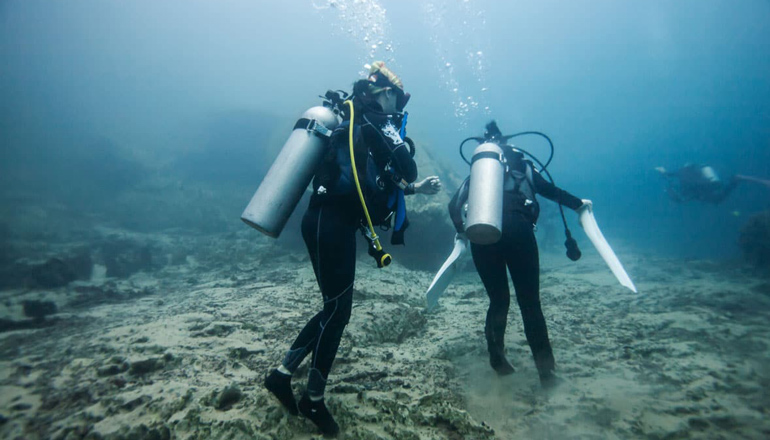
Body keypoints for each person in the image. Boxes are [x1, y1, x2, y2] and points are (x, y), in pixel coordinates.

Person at [263, 61, 441, 436]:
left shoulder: (352, 123)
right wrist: (398, 139)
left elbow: (374, 182)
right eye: (398, 97)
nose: (400, 105)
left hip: (322, 220)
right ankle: (313, 400)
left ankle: (282, 376)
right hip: (334, 224)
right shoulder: (376, 119)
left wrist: (416, 190)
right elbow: (405, 167)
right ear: (384, 93)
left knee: (333, 308)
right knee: (338, 312)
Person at [448, 121, 589, 388]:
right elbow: (551, 191)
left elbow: (453, 206)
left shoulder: (477, 176)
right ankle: (546, 375)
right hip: (518, 231)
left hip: (483, 232)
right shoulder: (523, 166)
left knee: (498, 300)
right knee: (530, 303)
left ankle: (497, 357)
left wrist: (463, 232)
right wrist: (579, 204)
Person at [655, 164, 740, 204]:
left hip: (702, 188)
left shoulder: (681, 172)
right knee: (718, 197)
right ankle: (733, 181)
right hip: (708, 184)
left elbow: (668, 174)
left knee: (717, 199)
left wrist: (663, 172)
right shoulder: (689, 172)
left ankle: (734, 181)